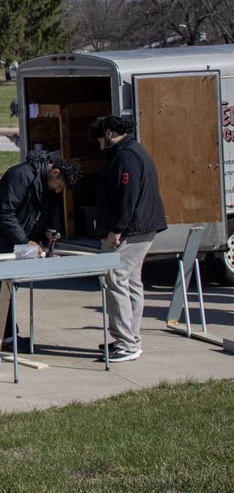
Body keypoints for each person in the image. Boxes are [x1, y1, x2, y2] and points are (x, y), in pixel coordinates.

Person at [0, 151, 82, 349]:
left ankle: (8, 334)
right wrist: (25, 241)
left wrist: (46, 232)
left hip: (12, 234)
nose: (58, 190)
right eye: (60, 186)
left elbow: (39, 214)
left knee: (9, 285)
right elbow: (4, 211)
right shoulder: (21, 175)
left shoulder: (45, 183)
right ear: (55, 171)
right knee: (1, 284)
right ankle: (6, 336)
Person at [89, 115, 166, 363]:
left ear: (109, 133)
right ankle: (130, 338)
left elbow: (127, 195)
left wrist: (117, 228)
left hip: (132, 229)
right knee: (132, 281)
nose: (100, 145)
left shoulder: (125, 156)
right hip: (140, 227)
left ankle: (127, 342)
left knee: (116, 277)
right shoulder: (132, 150)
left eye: (100, 139)